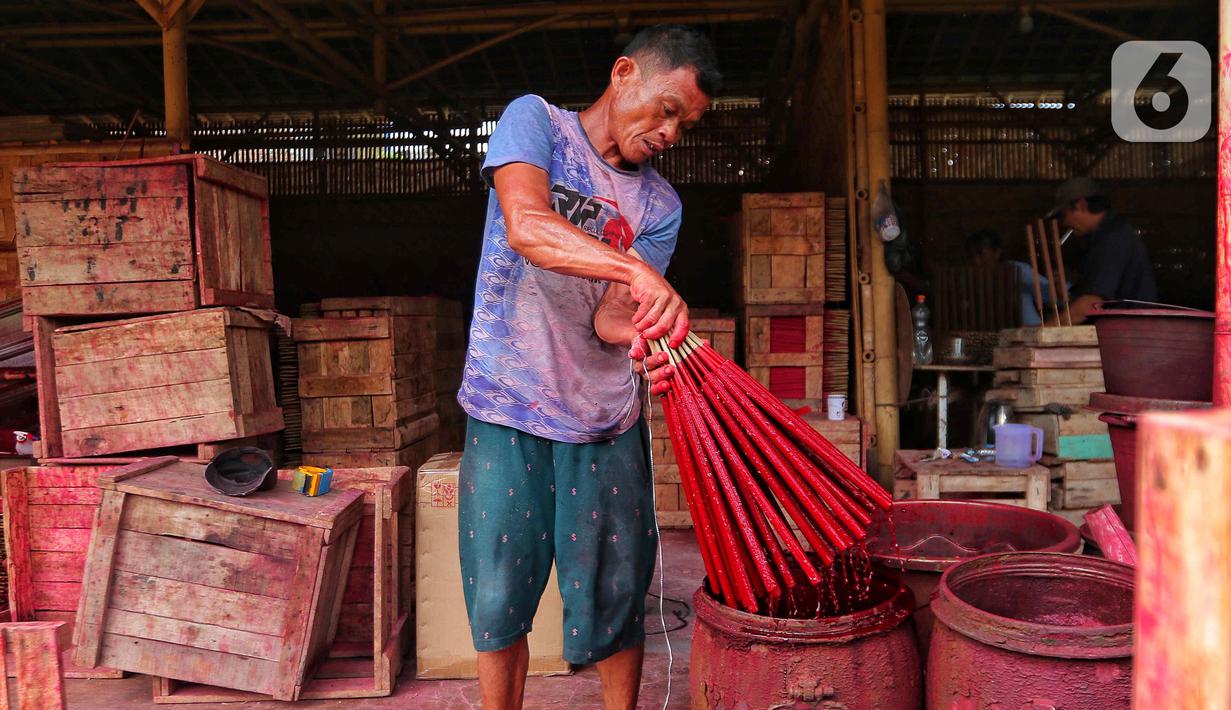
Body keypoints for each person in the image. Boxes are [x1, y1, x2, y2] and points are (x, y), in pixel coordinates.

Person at [455, 25, 720, 710]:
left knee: (614, 595)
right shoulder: (534, 121)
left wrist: (662, 338)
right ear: (624, 71)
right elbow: (525, 225)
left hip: (603, 418)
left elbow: (608, 317)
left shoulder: (659, 206)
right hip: (506, 401)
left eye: (683, 125)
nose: (670, 133)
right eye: (666, 109)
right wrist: (635, 270)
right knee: (497, 595)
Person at [1045, 177, 1157, 324]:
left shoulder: (1112, 238)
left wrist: (1044, 332)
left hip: (1129, 336)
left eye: (1064, 215)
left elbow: (1089, 305)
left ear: (1081, 205)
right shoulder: (1107, 235)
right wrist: (1065, 295)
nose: (1064, 223)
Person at [965, 228, 1053, 327]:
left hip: (1027, 331)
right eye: (972, 256)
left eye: (982, 255)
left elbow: (1054, 295)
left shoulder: (1018, 271)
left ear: (997, 253)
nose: (976, 261)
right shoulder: (971, 279)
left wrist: (1057, 291)